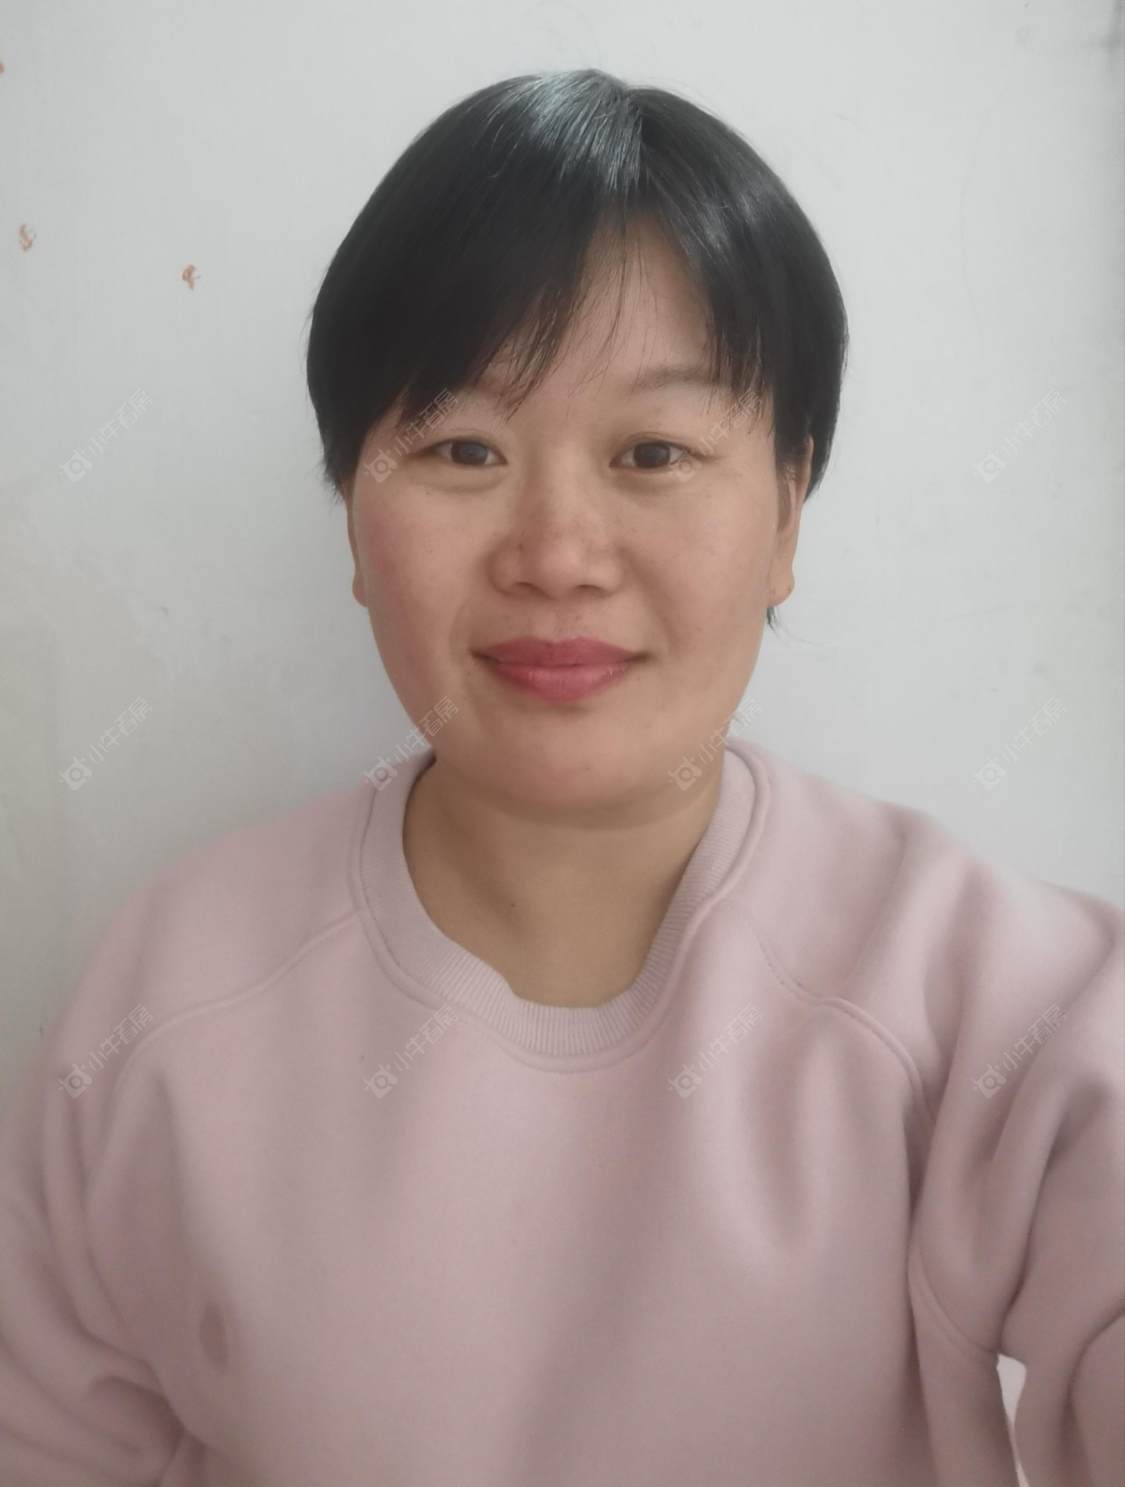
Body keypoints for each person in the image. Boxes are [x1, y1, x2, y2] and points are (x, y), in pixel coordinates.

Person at [1, 67, 1121, 1487]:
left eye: (653, 452)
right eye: (462, 447)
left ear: (786, 511)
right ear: (352, 519)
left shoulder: (991, 1004)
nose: (556, 552)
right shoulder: (166, 1008)